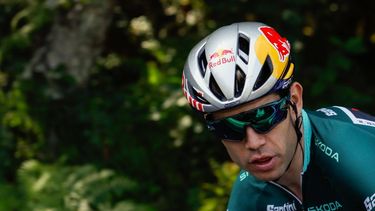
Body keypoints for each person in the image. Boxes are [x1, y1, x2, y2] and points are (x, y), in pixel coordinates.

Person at [181, 21, 375, 210]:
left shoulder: (355, 156)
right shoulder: (249, 194)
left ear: (295, 100)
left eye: (264, 115)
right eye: (230, 127)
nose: (254, 142)